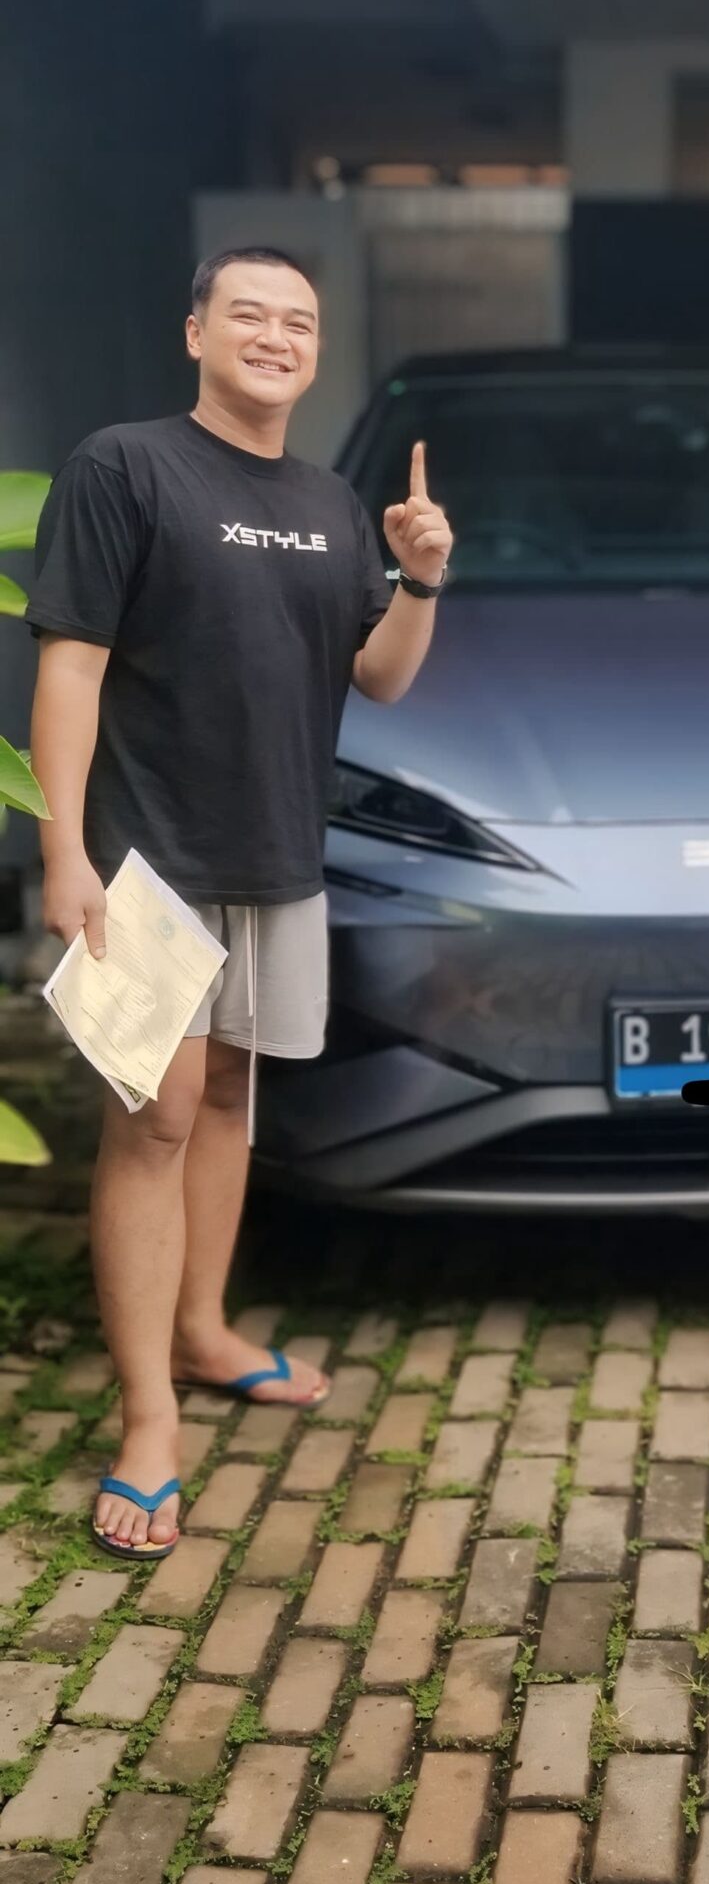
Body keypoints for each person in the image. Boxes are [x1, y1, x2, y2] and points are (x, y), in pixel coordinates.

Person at [27, 248, 453, 1559]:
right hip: (149, 861)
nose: (275, 336)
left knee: (225, 1098)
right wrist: (62, 852)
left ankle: (205, 1331)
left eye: (299, 322)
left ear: (316, 351)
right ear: (196, 331)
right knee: (152, 1117)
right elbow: (71, 667)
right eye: (249, 314)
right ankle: (148, 1419)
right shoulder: (125, 466)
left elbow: (381, 677)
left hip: (277, 856)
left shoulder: (330, 503)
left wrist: (421, 576)